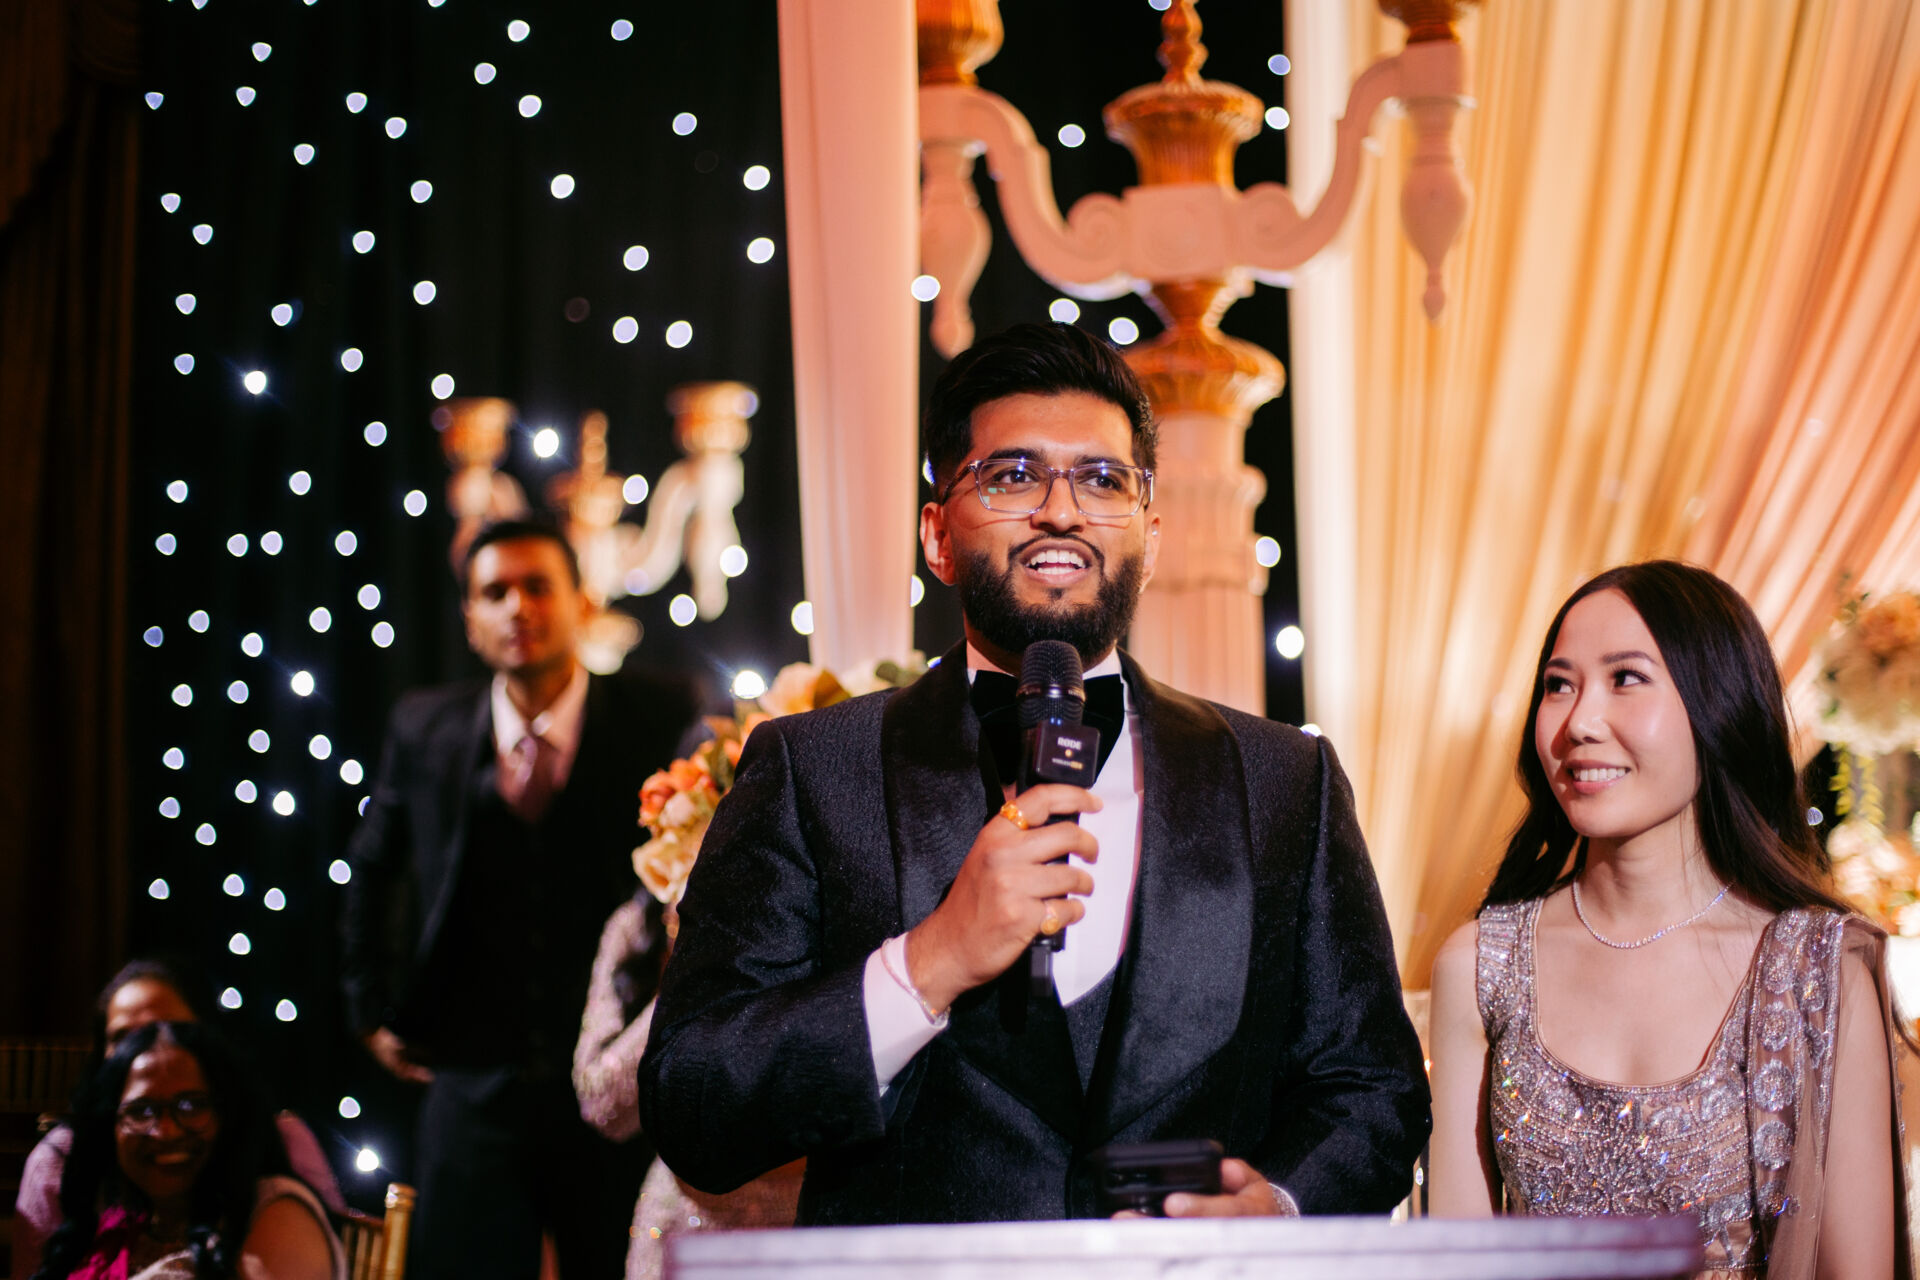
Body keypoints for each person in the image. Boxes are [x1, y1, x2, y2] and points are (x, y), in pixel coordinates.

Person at [638, 322, 1429, 1223]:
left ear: (1151, 538)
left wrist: (1279, 1209)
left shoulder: (1286, 779)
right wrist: (930, 962)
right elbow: (692, 1103)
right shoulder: (813, 768)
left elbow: (1375, 1090)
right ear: (937, 536)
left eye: (1103, 480)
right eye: (1013, 476)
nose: (1062, 510)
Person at [1427, 561, 1915, 1276]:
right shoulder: (1482, 965)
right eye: (1558, 685)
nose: (1579, 722)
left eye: (1625, 678)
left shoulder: (1816, 970)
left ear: (1716, 705)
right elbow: (1457, 1264)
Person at [339, 518, 700, 1280]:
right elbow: (372, 867)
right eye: (494, 592)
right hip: (471, 1076)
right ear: (470, 617)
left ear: (580, 602)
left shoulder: (661, 712)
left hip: (612, 1080)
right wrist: (369, 1009)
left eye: (538, 587)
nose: (517, 608)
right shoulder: (424, 726)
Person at [14, 960, 343, 1278]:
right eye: (141, 1111)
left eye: (190, 1105)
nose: (165, 1131)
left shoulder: (274, 1209)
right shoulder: (120, 1207)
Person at [573, 896, 802, 1279]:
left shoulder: (821, 908)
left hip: (807, 1229)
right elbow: (603, 1107)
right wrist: (691, 976)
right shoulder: (639, 925)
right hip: (678, 1228)